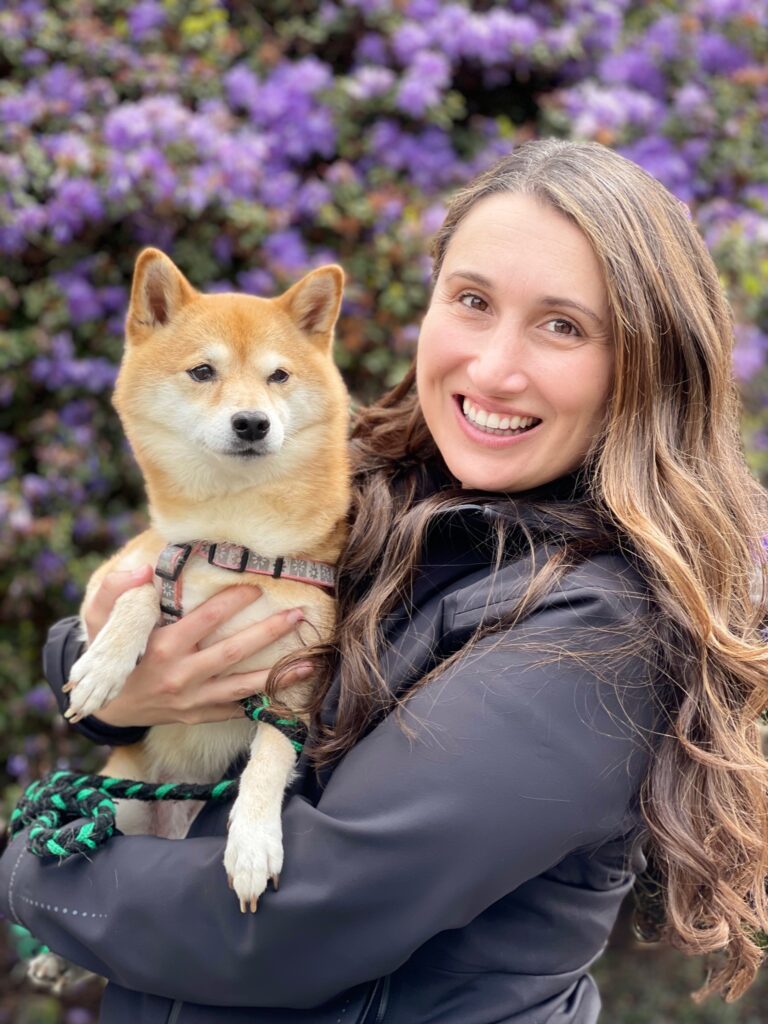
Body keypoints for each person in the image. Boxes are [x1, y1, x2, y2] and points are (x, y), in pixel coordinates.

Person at [2, 138, 768, 1024]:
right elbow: (167, 591)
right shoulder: (376, 488)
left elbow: (287, 927)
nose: (492, 367)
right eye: (472, 301)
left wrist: (36, 869)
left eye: (563, 325)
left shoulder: (599, 635)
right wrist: (114, 687)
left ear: (648, 361)